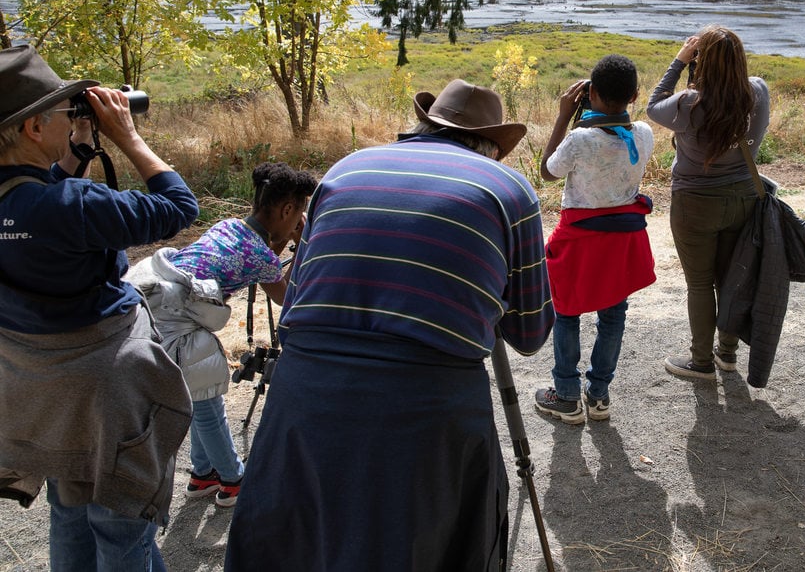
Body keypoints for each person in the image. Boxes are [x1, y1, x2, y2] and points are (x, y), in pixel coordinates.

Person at [224, 79, 555, 571]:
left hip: (305, 390)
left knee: (297, 542)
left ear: (422, 126)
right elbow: (529, 335)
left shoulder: (346, 166)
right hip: (424, 403)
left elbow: (296, 296)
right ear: (492, 148)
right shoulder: (506, 188)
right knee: (416, 546)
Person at [0, 45, 198, 571]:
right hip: (104, 392)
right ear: (32, 130)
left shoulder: (27, 200)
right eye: (67, 114)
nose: (75, 120)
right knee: (121, 527)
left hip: (42, 390)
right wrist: (128, 137)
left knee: (68, 514)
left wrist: (80, 151)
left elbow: (44, 210)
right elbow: (180, 207)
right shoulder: (68, 207)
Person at [125, 162, 316, 508]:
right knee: (210, 408)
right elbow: (289, 300)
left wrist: (284, 239)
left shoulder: (230, 227)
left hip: (153, 313)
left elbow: (254, 263)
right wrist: (300, 244)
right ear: (289, 210)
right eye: (298, 213)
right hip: (176, 328)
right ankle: (233, 480)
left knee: (201, 396)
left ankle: (203, 474)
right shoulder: (259, 255)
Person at [532, 55, 656, 424]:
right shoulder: (644, 133)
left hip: (580, 238)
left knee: (567, 311)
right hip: (621, 239)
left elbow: (547, 172)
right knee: (613, 314)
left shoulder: (579, 139)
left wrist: (562, 115)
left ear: (592, 93)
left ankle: (566, 396)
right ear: (635, 96)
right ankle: (599, 396)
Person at [647, 26, 770, 380]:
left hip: (695, 201)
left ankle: (701, 362)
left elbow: (654, 105)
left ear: (702, 61)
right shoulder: (757, 91)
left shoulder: (689, 102)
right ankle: (727, 354)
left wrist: (679, 61)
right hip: (744, 197)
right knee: (730, 279)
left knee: (700, 283)